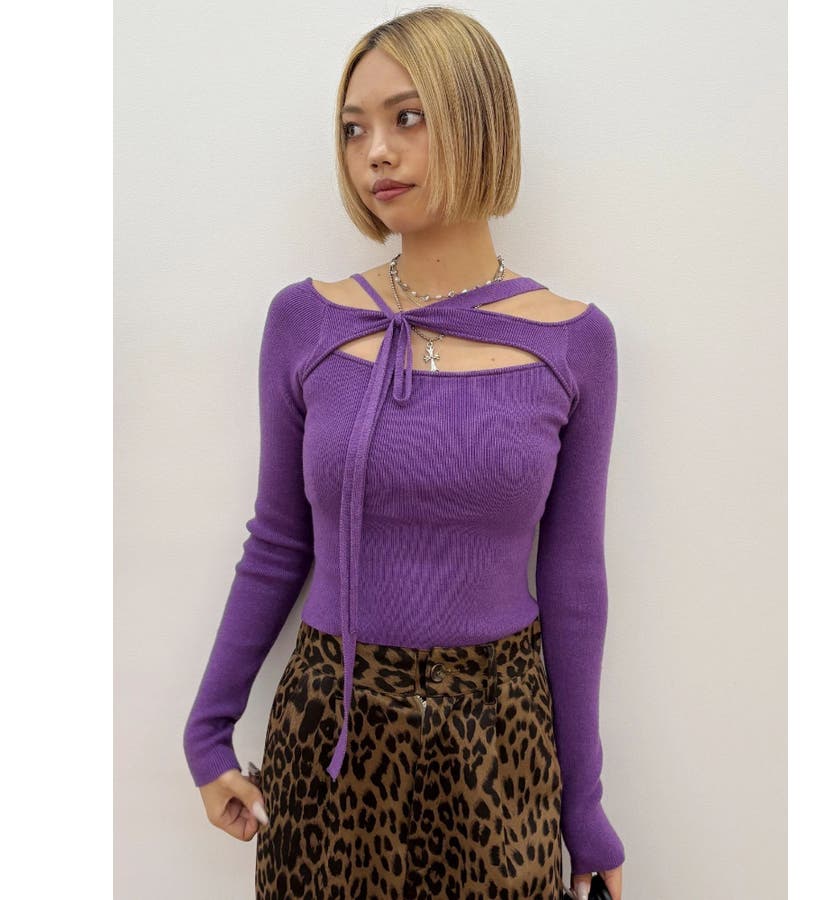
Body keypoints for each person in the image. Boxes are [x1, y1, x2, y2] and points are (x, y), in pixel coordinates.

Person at [182, 7, 626, 899]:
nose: (376, 152)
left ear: (478, 119)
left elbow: (573, 578)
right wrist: (207, 733)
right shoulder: (306, 321)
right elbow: (279, 540)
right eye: (355, 130)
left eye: (407, 118)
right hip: (331, 733)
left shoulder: (575, 342)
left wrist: (585, 808)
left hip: (499, 743)